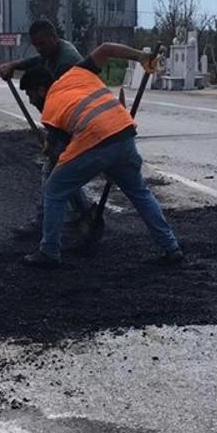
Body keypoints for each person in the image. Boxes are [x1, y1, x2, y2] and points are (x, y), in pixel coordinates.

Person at [18, 43, 184, 269]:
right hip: (123, 132)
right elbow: (106, 49)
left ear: (40, 89)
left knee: (54, 188)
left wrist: (50, 150)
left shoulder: (51, 107)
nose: (31, 101)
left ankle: (49, 251)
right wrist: (141, 56)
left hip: (96, 139)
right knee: (139, 192)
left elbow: (61, 156)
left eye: (30, 95)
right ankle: (171, 247)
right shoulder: (79, 73)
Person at [0, 20, 95, 239]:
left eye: (42, 44)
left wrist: (51, 140)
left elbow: (60, 107)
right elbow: (38, 60)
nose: (39, 49)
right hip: (74, 118)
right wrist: (14, 65)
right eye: (36, 45)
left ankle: (44, 223)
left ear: (53, 37)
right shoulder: (54, 51)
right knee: (59, 170)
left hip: (80, 121)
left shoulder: (65, 64)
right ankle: (84, 211)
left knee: (53, 169)